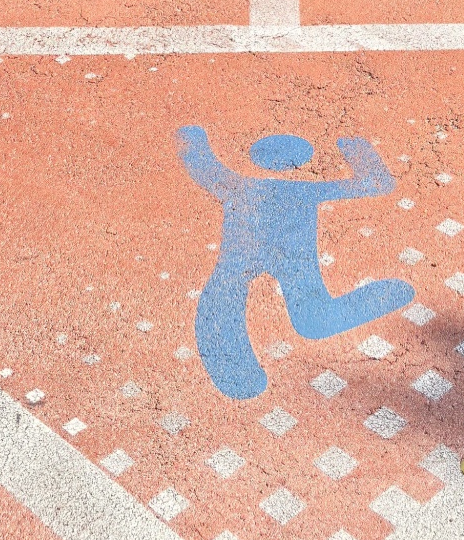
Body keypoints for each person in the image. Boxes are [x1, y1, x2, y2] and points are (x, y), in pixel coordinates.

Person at [178, 128, 415, 399]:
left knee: (223, 298)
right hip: (295, 259)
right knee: (312, 318)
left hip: (243, 256)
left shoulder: (239, 186)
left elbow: (203, 167)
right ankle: (382, 294)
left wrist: (194, 137)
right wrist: (355, 147)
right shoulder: (306, 190)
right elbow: (375, 184)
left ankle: (238, 374)